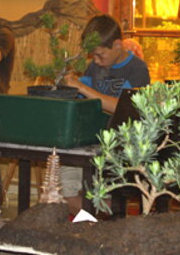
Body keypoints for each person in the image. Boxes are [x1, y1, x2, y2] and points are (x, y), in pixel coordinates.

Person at [62, 13, 150, 215]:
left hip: (120, 144)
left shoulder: (137, 69)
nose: (97, 61)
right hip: (89, 140)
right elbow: (82, 101)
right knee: (62, 190)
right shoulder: (94, 67)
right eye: (93, 56)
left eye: (101, 55)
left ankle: (109, 225)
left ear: (117, 45)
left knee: (105, 196)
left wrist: (82, 88)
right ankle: (96, 226)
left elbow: (123, 108)